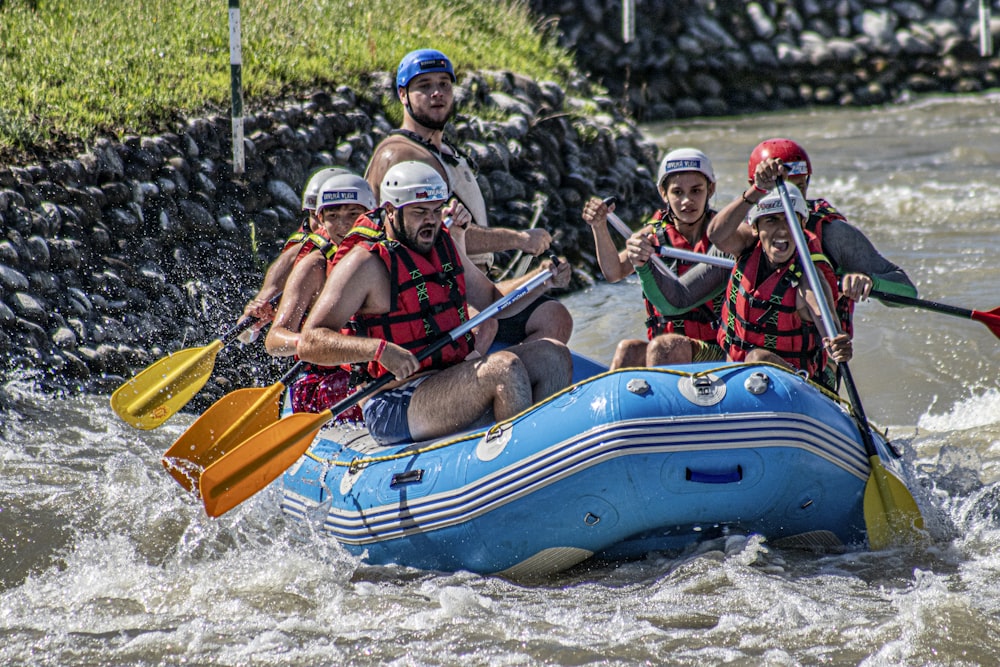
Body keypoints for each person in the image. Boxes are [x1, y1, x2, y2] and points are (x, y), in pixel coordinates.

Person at [296, 161, 572, 446]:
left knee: (553, 356)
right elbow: (311, 342)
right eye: (419, 212)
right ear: (390, 211)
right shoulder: (364, 264)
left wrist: (542, 280)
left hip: (449, 377)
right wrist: (378, 351)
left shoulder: (443, 244)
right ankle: (520, 460)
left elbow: (492, 301)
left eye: (436, 210)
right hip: (394, 401)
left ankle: (546, 453)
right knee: (503, 368)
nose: (430, 220)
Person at [364, 47, 573, 346]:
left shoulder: (442, 149)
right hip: (436, 292)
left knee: (554, 316)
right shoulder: (402, 155)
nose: (437, 93)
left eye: (444, 84)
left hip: (473, 282)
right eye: (424, 86)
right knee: (489, 326)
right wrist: (520, 239)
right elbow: (435, 232)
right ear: (402, 95)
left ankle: (528, 382)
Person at [708, 138, 916, 386]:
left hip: (810, 366)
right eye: (781, 187)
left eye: (799, 187)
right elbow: (683, 295)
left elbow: (906, 292)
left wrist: (869, 282)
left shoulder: (833, 235)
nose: (790, 197)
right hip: (738, 363)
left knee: (758, 358)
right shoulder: (746, 236)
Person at [631, 183, 852, 386]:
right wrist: (757, 189)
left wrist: (837, 343)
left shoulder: (809, 281)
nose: (783, 230)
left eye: (790, 220)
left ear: (802, 224)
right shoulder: (744, 249)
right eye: (771, 220)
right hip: (731, 365)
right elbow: (716, 234)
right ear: (756, 228)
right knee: (665, 348)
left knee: (758, 359)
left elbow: (829, 329)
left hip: (794, 381)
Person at [581, 148, 726, 369]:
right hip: (666, 347)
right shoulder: (652, 234)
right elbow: (613, 272)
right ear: (663, 194)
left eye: (696, 190)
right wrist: (599, 226)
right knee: (627, 350)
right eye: (677, 192)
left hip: (716, 350)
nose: (687, 201)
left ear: (711, 189)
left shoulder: (725, 233)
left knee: (666, 346)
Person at [264, 173, 377, 420]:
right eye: (333, 216)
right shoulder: (314, 266)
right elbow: (273, 340)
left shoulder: (384, 253)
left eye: (353, 214)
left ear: (371, 213)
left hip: (373, 370)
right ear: (321, 220)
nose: (343, 225)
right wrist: (315, 344)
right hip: (321, 382)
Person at [239, 166, 351, 339]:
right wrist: (252, 321)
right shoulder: (296, 256)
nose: (325, 227)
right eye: (316, 217)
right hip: (313, 350)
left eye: (348, 215)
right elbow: (245, 336)